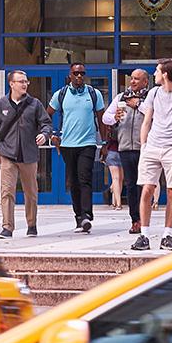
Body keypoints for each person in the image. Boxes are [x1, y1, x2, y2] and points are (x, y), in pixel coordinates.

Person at [131, 59, 172, 252]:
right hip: (152, 146)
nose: (154, 74)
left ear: (165, 74)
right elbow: (146, 122)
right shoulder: (153, 93)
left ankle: (167, 236)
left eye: (157, 71)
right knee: (146, 190)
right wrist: (144, 146)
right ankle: (144, 235)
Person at [0, 71, 49, 239]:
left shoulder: (34, 104)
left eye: (26, 81)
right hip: (7, 155)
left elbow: (46, 123)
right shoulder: (0, 105)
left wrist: (45, 134)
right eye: (20, 81)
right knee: (7, 192)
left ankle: (32, 224)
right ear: (11, 84)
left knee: (31, 192)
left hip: (29, 155)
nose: (24, 84)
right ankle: (7, 227)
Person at [49, 63, 104, 234]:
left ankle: (87, 215)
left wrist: (103, 144)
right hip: (67, 145)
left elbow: (102, 120)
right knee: (73, 182)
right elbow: (46, 115)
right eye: (76, 73)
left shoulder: (94, 94)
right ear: (70, 75)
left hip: (87, 143)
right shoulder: (61, 94)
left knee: (84, 178)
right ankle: (78, 218)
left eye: (82, 73)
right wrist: (52, 134)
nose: (79, 76)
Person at [103, 68, 151, 236]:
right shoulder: (121, 97)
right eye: (131, 78)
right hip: (124, 147)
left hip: (144, 148)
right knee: (130, 185)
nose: (133, 81)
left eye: (137, 79)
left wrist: (138, 104)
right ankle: (135, 220)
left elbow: (155, 116)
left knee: (143, 185)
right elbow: (105, 118)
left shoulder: (150, 97)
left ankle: (144, 219)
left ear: (145, 82)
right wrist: (114, 117)